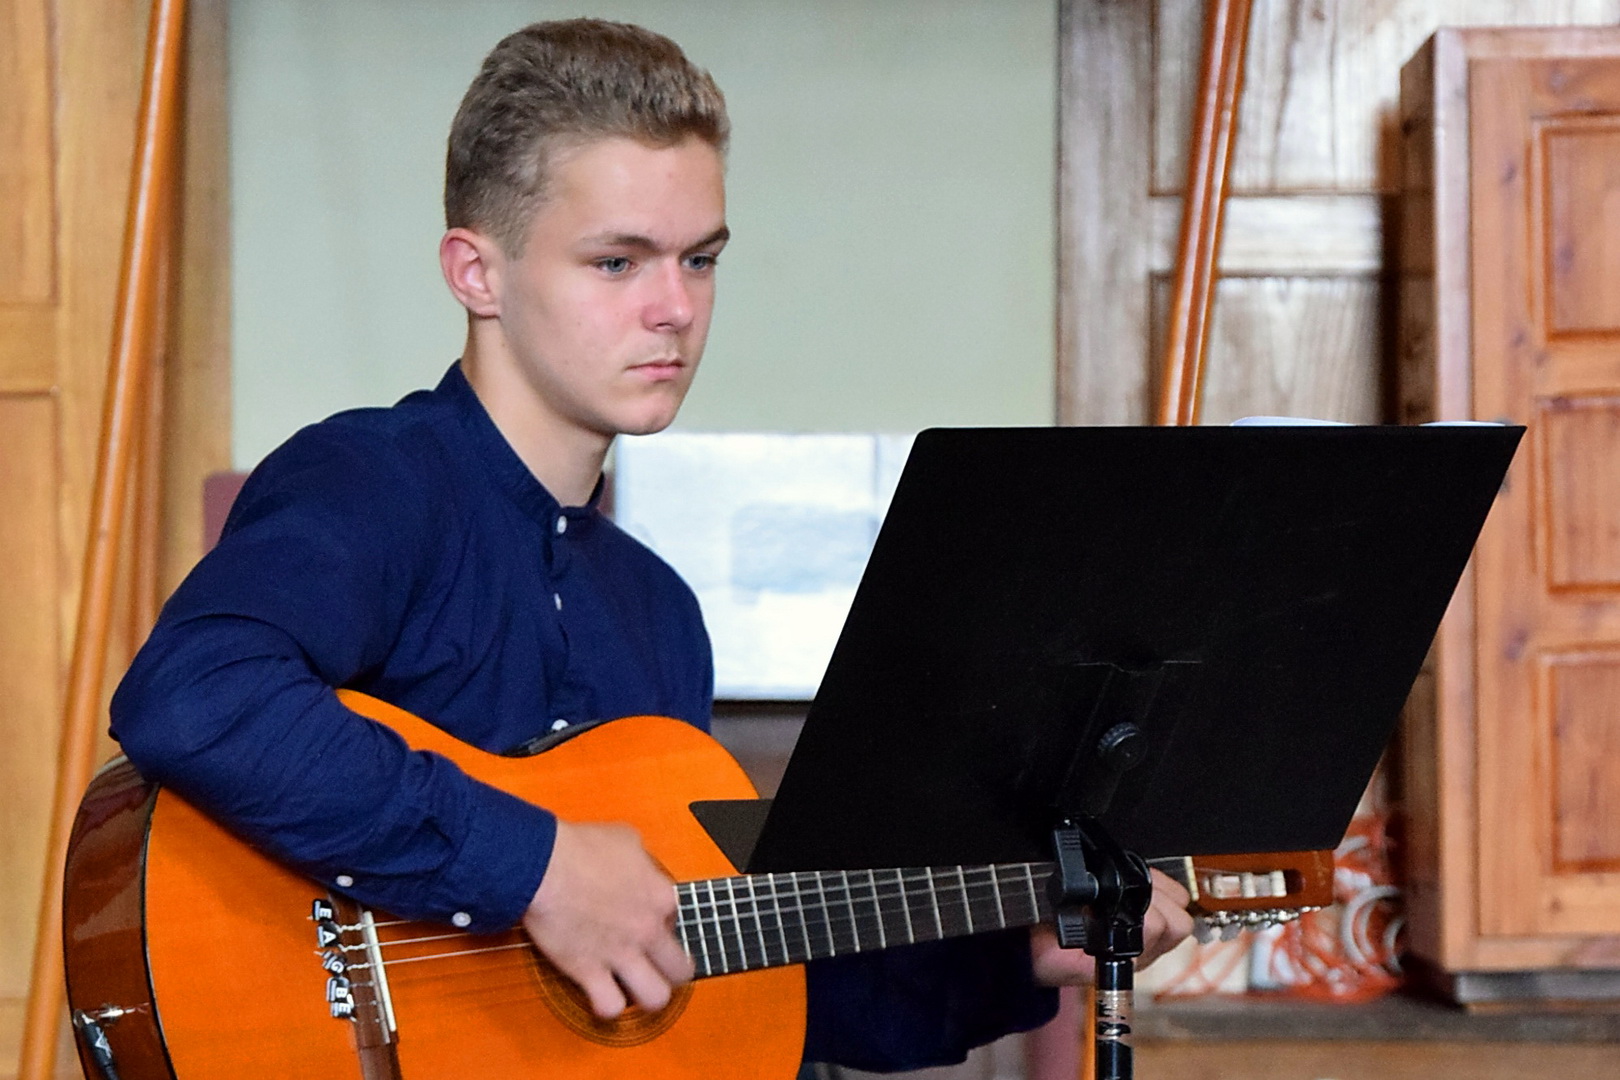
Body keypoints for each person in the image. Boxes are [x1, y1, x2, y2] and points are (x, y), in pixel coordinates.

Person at [111, 18, 1191, 1073]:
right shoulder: (376, 481)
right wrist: (535, 868)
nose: (675, 308)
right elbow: (193, 695)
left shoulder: (657, 611)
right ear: (476, 272)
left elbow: (740, 992)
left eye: (700, 259)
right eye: (618, 262)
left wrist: (1019, 960)